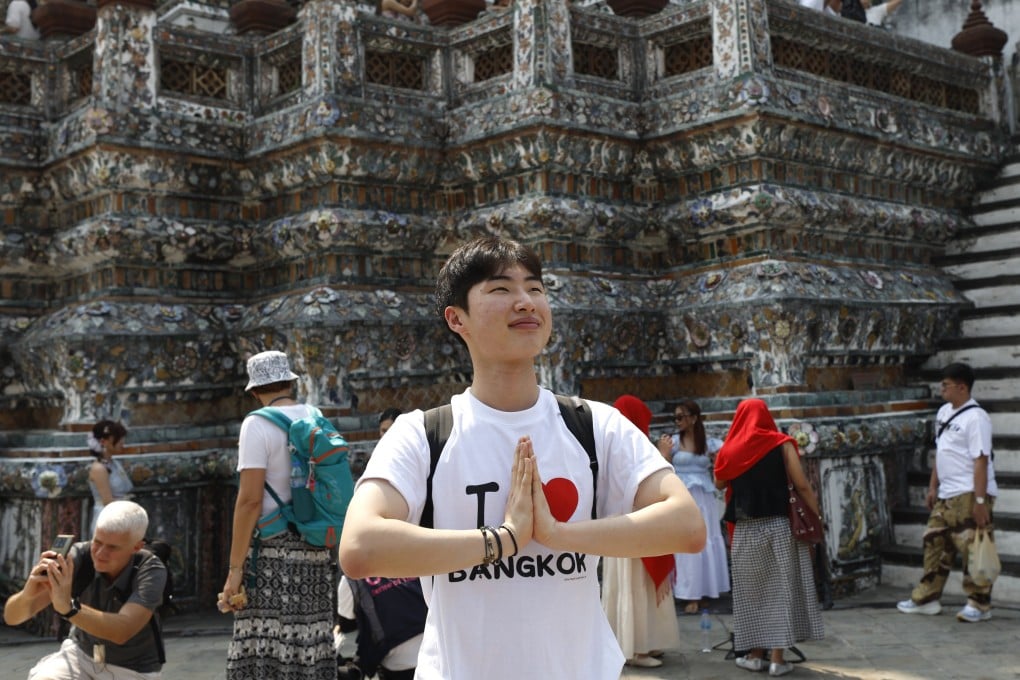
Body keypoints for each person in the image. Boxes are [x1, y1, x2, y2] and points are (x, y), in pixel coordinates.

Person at [338, 236, 707, 680]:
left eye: (535, 288)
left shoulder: (595, 425)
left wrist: (558, 534)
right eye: (500, 290)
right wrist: (503, 540)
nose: (525, 302)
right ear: (457, 319)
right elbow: (359, 548)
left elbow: (686, 526)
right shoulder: (424, 434)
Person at [219, 350, 336, 679]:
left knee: (266, 643)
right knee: (309, 637)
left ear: (255, 391)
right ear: (289, 382)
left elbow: (249, 501)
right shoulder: (314, 415)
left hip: (271, 550)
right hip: (314, 542)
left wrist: (234, 570)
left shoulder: (256, 424)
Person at [714, 399, 824, 677]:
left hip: (746, 531)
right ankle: (777, 659)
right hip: (780, 527)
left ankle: (754, 655)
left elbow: (719, 481)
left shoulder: (730, 449)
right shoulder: (782, 444)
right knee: (781, 590)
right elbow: (801, 485)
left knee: (752, 594)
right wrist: (816, 517)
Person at [4, 500, 168, 679]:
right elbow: (12, 617)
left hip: (132, 668)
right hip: (82, 655)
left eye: (112, 547)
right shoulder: (79, 556)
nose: (100, 553)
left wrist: (70, 608)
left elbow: (122, 631)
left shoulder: (151, 569)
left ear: (136, 547)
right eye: (97, 542)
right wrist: (28, 594)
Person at [897, 362, 998, 623]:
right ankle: (927, 597)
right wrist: (933, 487)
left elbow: (981, 460)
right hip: (946, 493)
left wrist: (979, 500)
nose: (941, 389)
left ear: (962, 387)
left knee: (972, 548)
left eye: (946, 385)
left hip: (969, 492)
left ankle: (979, 603)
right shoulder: (943, 413)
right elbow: (942, 453)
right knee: (934, 541)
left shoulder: (976, 418)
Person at [601, 395, 680, 668]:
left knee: (637, 586)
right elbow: (645, 485)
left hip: (623, 527)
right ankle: (634, 649)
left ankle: (645, 641)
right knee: (633, 585)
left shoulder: (612, 446)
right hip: (632, 525)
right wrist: (664, 458)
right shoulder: (629, 448)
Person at [658, 399, 730, 614]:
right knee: (687, 541)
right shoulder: (672, 442)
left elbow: (725, 458)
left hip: (705, 497)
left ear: (694, 418)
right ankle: (689, 594)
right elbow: (662, 468)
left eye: (681, 417)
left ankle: (706, 590)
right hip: (682, 495)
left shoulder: (709, 443)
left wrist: (717, 459)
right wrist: (664, 453)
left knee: (706, 539)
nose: (677, 421)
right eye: (676, 417)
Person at [335, 575, 427, 680]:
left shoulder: (352, 577)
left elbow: (346, 625)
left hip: (398, 666)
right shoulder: (409, 559)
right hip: (435, 653)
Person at [87, 420, 134, 537]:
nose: (122, 443)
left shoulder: (115, 463)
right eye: (118, 439)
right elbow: (107, 501)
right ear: (104, 441)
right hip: (109, 519)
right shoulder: (99, 468)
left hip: (123, 516)